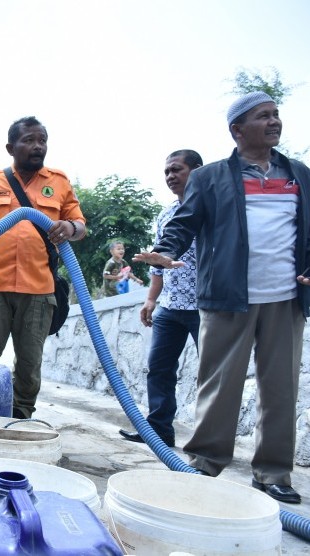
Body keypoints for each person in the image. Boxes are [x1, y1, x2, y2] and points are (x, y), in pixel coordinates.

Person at [135, 92, 310, 504]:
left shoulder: (300, 174)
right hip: (228, 298)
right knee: (219, 386)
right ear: (237, 129)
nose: (274, 122)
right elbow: (184, 224)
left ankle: (273, 472)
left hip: (286, 299)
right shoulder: (211, 177)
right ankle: (204, 462)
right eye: (263, 116)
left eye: (276, 115)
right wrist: (167, 252)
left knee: (280, 388)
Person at [0, 116, 86, 419]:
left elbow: (80, 224)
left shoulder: (58, 182)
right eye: (29, 140)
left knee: (30, 365)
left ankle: (21, 419)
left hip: (38, 289)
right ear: (11, 147)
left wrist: (69, 228)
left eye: (42, 140)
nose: (38, 146)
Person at [119, 149, 202, 448]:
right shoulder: (166, 214)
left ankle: (208, 441)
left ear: (197, 171)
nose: (170, 176)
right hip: (170, 305)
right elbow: (158, 263)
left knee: (212, 374)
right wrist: (151, 300)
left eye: (177, 170)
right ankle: (159, 431)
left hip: (206, 306)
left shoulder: (214, 210)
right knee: (160, 369)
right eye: (167, 171)